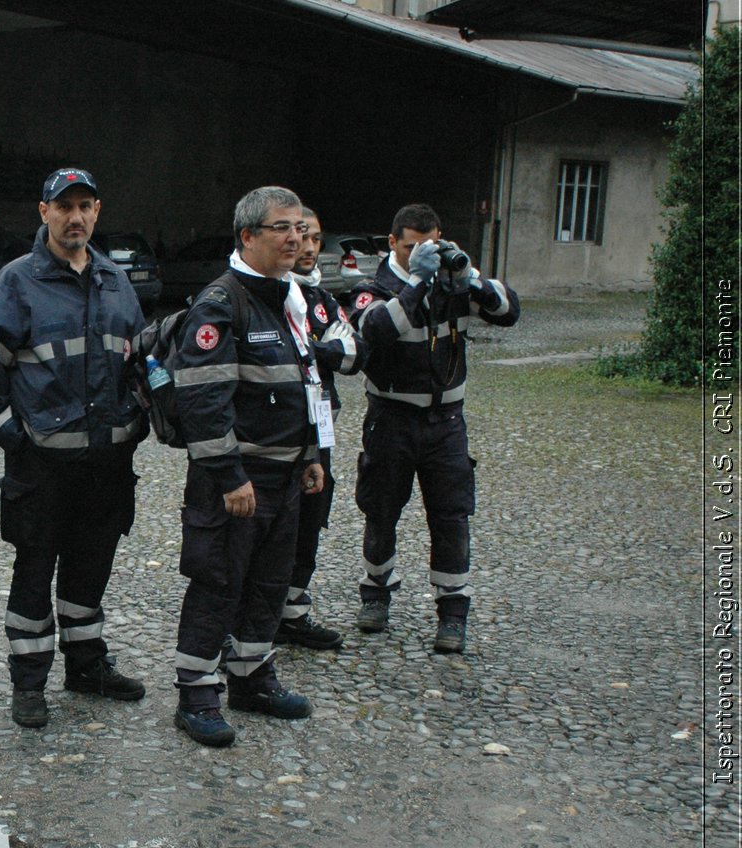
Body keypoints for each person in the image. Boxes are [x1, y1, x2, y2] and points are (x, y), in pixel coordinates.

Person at [0, 168, 148, 729]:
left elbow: (141, 364)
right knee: (34, 572)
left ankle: (87, 667)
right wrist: (18, 444)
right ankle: (28, 685)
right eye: (64, 206)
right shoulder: (16, 283)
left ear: (98, 211)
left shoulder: (116, 281)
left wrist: (139, 423)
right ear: (43, 212)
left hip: (106, 464)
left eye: (86, 206)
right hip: (41, 469)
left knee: (90, 571)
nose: (76, 217)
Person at [169, 186, 331, 749]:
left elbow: (304, 382)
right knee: (217, 583)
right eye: (281, 228)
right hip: (237, 482)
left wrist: (309, 453)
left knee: (267, 585)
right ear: (248, 236)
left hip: (285, 476)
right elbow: (200, 401)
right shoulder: (221, 303)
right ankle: (196, 695)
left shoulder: (288, 299)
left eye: (300, 228)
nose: (296, 238)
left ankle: (251, 678)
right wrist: (230, 476)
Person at [349, 203, 520, 653]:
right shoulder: (374, 286)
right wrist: (418, 283)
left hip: (446, 421)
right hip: (391, 418)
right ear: (393, 243)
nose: (420, 253)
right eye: (410, 247)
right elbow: (376, 331)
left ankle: (453, 613)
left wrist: (473, 281)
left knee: (452, 515)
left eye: (429, 244)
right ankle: (376, 593)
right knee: (381, 510)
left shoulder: (453, 280)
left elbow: (508, 312)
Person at [277, 208, 367, 650]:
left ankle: (293, 614)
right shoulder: (270, 294)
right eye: (301, 237)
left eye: (315, 238)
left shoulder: (324, 300)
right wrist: (321, 347)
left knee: (312, 520)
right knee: (275, 523)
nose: (310, 248)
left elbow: (352, 355)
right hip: (278, 432)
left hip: (322, 430)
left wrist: (316, 349)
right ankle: (256, 614)